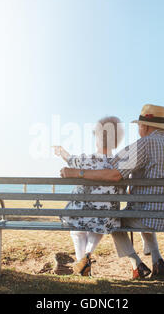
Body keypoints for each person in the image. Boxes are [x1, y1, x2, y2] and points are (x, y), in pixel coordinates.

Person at [60, 104, 164, 279]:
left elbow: (114, 174)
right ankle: (157, 261)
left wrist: (79, 172)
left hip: (149, 215)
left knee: (115, 222)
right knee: (142, 211)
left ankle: (137, 263)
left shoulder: (144, 144)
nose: (138, 129)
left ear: (144, 126)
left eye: (138, 126)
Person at [53, 116, 125, 276]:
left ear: (98, 138)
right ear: (117, 140)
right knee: (97, 226)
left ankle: (82, 263)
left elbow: (71, 161)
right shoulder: (119, 164)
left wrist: (61, 152)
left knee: (77, 231)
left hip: (79, 213)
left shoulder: (85, 160)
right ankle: (87, 255)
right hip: (106, 217)